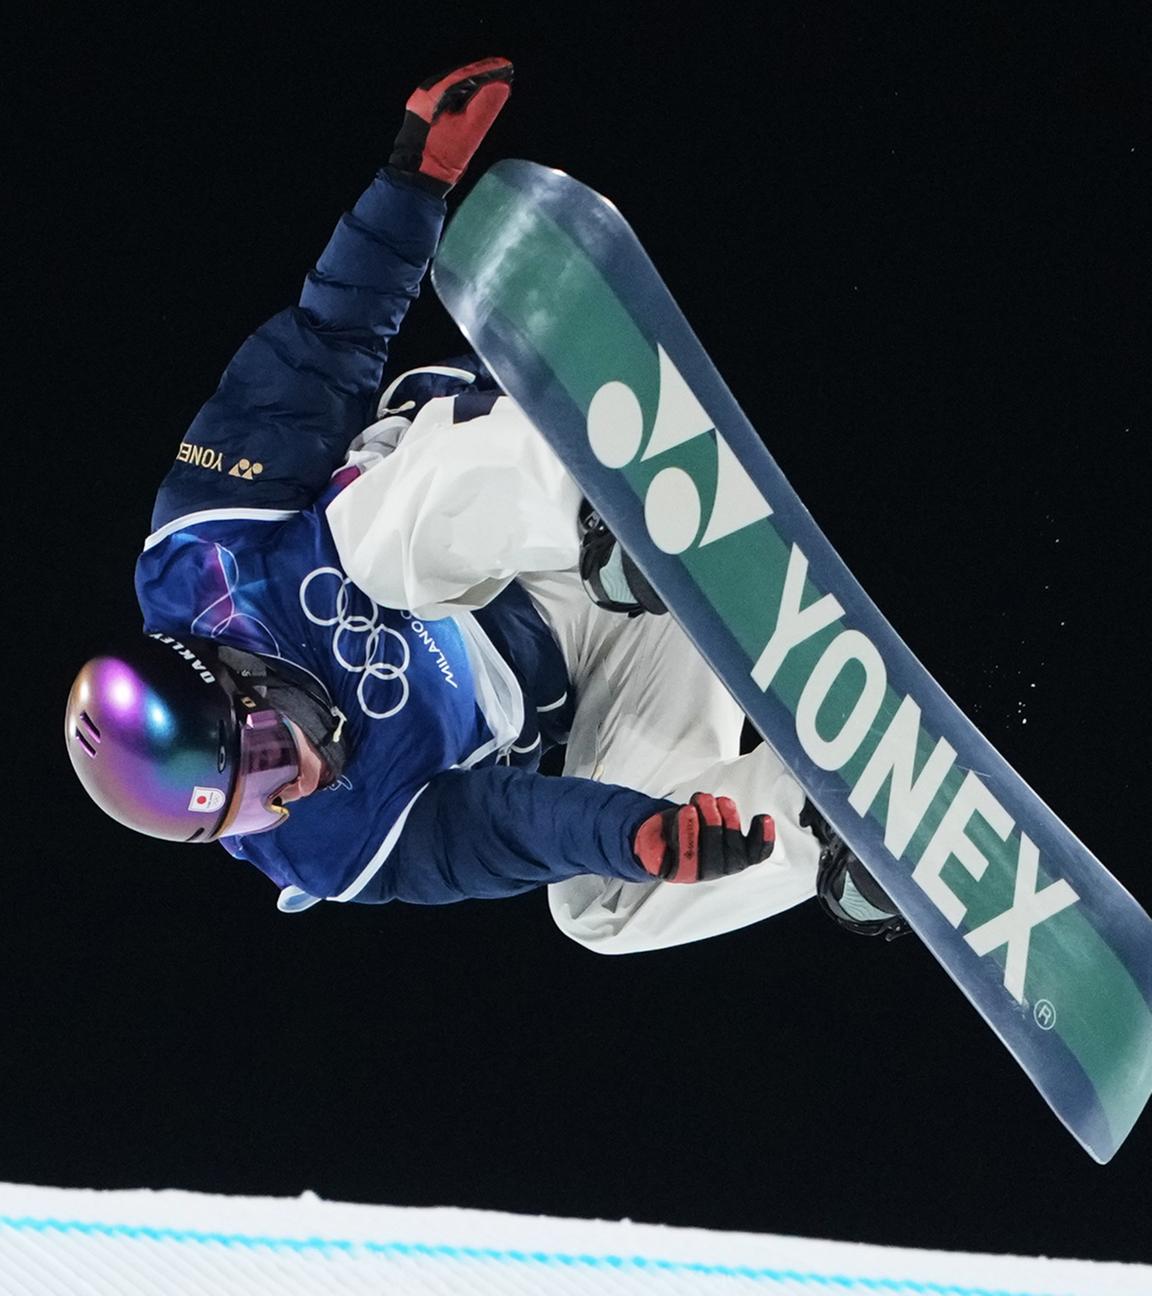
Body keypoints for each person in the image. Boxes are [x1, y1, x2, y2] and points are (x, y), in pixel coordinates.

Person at [65, 60, 907, 951]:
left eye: (270, 758)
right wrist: (630, 836)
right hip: (611, 637)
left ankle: (597, 505)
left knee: (367, 551)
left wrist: (412, 182)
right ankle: (836, 831)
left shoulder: (212, 543)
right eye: (253, 816)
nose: (297, 785)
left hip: (509, 516)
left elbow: (327, 346)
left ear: (235, 682)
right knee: (595, 912)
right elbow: (499, 826)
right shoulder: (326, 848)